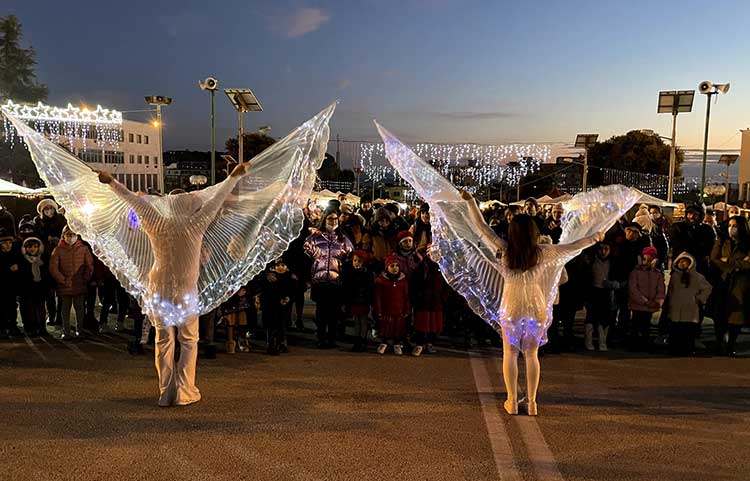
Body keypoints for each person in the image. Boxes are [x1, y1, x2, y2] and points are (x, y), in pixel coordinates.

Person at [374, 122, 638, 416]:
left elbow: (479, 228)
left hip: (511, 309)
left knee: (510, 354)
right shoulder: (545, 253)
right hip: (537, 310)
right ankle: (533, 402)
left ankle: (513, 401)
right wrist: (596, 235)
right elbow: (575, 246)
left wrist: (472, 202)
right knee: (533, 355)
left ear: (513, 235)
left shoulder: (504, 253)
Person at [304, 207, 353, 348]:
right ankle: (320, 337)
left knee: (333, 312)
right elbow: (306, 255)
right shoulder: (315, 238)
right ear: (324, 219)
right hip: (319, 279)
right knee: (321, 312)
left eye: (335, 219)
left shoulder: (343, 239)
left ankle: (331, 338)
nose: (333, 221)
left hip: (335, 279)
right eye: (330, 218)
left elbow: (350, 256)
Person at [710, 215, 750, 356]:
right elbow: (714, 259)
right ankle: (719, 342)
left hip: (741, 282)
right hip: (723, 280)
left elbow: (748, 264)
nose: (731, 229)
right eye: (729, 226)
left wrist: (729, 261)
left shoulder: (747, 243)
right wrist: (734, 265)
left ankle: (731, 344)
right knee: (719, 312)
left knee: (736, 315)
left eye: (735, 226)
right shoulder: (722, 241)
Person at [49, 226, 93, 339]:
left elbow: (89, 266)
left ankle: (80, 330)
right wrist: (62, 280)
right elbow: (53, 267)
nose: (71, 238)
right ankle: (66, 331)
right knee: (65, 309)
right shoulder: (58, 250)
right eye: (68, 235)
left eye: (73, 235)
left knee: (80, 308)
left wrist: (85, 278)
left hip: (79, 284)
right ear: (63, 236)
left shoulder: (83, 249)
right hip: (64, 285)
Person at [667, 252, 712, 356]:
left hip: (690, 308)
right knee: (675, 330)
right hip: (676, 307)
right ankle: (675, 349)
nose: (682, 264)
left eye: (685, 262)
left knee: (688, 330)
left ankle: (688, 349)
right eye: (680, 261)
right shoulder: (674, 276)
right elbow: (670, 291)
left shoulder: (697, 277)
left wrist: (699, 298)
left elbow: (707, 288)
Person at [628, 246, 665, 351]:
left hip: (651, 305)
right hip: (638, 305)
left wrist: (657, 301)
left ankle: (644, 343)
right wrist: (645, 301)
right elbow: (633, 289)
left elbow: (661, 289)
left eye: (650, 259)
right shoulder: (635, 272)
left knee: (646, 326)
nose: (647, 262)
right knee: (636, 324)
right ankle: (634, 344)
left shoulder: (657, 274)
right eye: (645, 259)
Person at [410, 252, 448, 356]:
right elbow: (415, 284)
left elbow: (446, 284)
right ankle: (420, 343)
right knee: (422, 324)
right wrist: (417, 297)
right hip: (423, 301)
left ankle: (429, 343)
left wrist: (443, 298)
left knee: (433, 324)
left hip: (436, 301)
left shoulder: (442, 267)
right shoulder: (422, 267)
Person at [374, 254, 410, 355]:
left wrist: (407, 309)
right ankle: (384, 342)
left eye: (397, 266)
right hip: (387, 310)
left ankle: (397, 343)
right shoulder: (381, 281)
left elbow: (406, 296)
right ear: (387, 268)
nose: (395, 268)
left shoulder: (403, 280)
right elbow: (378, 297)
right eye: (392, 266)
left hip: (399, 310)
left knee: (398, 328)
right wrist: (379, 310)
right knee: (386, 328)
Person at [258, 258, 295, 355]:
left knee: (282, 324)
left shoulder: (288, 277)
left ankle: (281, 343)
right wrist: (266, 274)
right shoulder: (269, 275)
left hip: (283, 304)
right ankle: (271, 344)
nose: (280, 268)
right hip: (270, 302)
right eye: (278, 266)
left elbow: (292, 289)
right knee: (271, 324)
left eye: (283, 266)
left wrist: (288, 298)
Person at [342, 250, 375, 352]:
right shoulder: (350, 273)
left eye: (359, 261)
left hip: (363, 300)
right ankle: (357, 341)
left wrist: (370, 302)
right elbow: (347, 288)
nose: (356, 263)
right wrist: (346, 301)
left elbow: (370, 288)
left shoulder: (367, 274)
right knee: (356, 321)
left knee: (363, 321)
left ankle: (363, 340)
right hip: (354, 300)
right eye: (355, 260)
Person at [586, 242, 617, 351]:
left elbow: (615, 276)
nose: (603, 252)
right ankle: (588, 341)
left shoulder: (612, 263)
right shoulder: (592, 262)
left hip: (606, 292)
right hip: (593, 291)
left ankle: (602, 342)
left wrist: (612, 283)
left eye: (606, 249)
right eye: (601, 249)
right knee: (591, 316)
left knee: (604, 318)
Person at [17, 237, 50, 337]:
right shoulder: (22, 261)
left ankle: (42, 327)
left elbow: (46, 274)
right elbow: (21, 276)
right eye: (29, 246)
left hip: (40, 287)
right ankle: (32, 328)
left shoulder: (43, 260)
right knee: (29, 309)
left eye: (35, 246)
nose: (32, 249)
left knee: (41, 308)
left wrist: (47, 286)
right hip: (28, 288)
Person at [0, 228, 21, 338]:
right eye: (4, 243)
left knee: (12, 306)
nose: (8, 245)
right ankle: (2, 327)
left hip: (11, 286)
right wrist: (8, 269)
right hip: (1, 286)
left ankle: (13, 325)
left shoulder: (14, 254)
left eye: (9, 243)